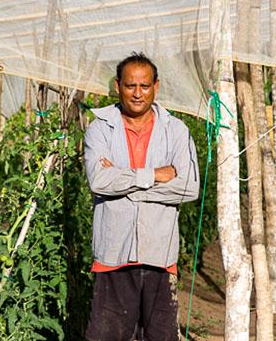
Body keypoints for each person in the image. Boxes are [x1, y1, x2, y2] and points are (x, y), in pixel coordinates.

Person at [84, 52, 200, 341]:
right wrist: (151, 175)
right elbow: (99, 180)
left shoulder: (176, 131)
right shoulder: (100, 129)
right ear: (117, 86)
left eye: (144, 86)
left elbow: (189, 187)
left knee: (160, 337)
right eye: (130, 86)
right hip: (113, 254)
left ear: (156, 87)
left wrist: (125, 183)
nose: (137, 94)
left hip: (158, 254)